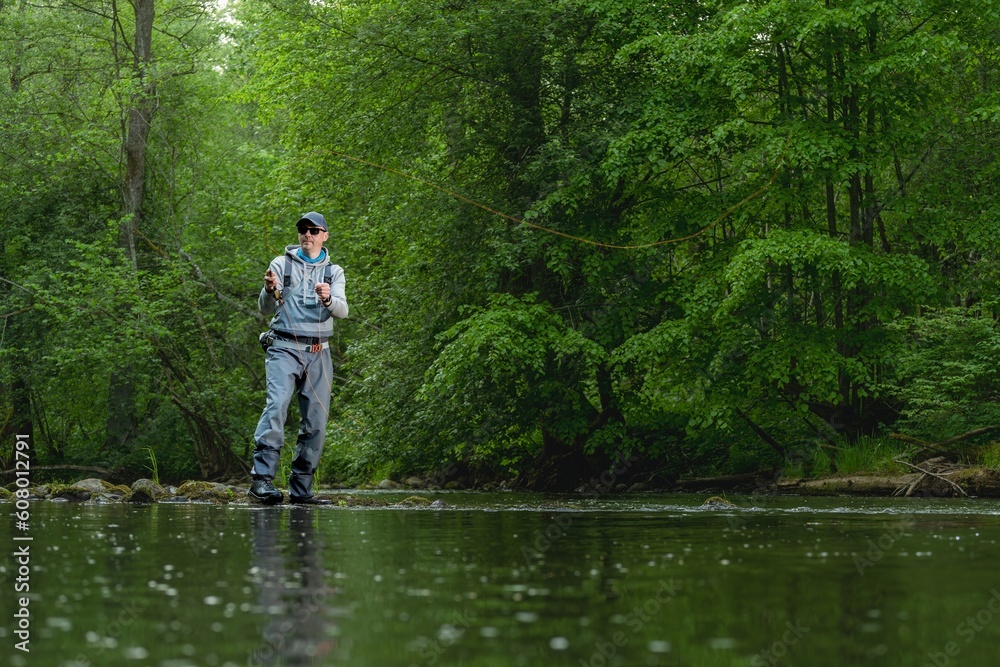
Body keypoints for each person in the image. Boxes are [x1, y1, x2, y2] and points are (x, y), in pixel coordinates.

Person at [249, 211, 348, 505]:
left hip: (320, 353)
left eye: (314, 230)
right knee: (277, 406)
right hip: (283, 348)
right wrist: (269, 290)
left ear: (324, 236)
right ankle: (261, 482)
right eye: (303, 229)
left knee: (315, 422)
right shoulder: (280, 265)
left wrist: (328, 298)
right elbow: (265, 309)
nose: (307, 234)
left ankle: (302, 490)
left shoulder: (335, 272)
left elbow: (343, 311)